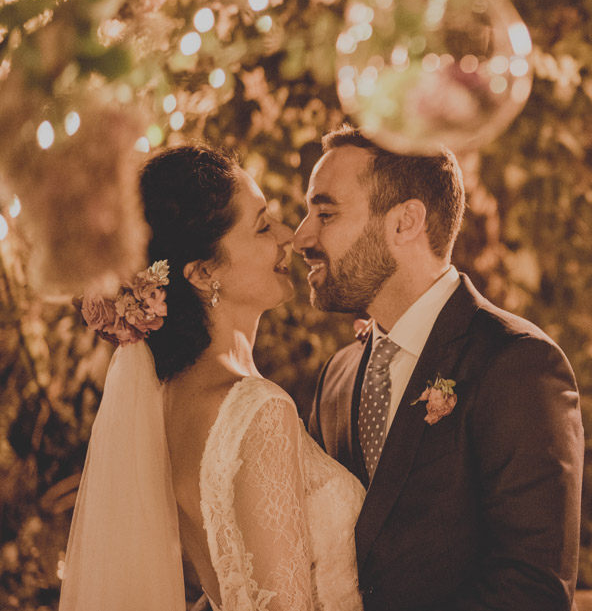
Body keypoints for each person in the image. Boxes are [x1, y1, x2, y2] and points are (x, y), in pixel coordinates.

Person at [60, 145, 365, 611]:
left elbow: (231, 580)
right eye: (263, 226)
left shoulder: (165, 402)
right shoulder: (257, 410)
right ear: (203, 273)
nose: (288, 235)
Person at [300, 126, 585, 611]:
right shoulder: (338, 377)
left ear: (405, 222)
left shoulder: (517, 364)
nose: (303, 235)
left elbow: (532, 587)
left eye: (325, 213)